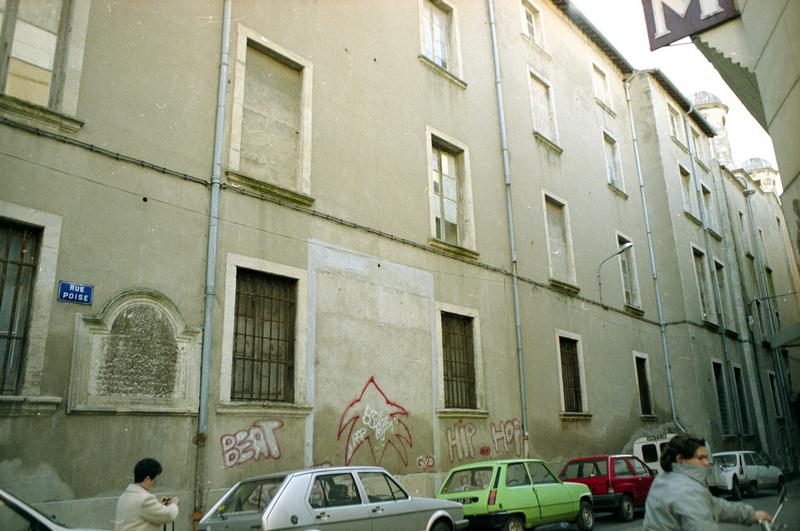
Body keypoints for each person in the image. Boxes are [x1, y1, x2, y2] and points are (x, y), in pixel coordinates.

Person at [643, 433, 772, 530]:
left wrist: (752, 515)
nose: (706, 463)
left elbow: (716, 505)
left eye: (706, 457)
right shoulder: (687, 491)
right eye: (700, 458)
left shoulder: (663, 481)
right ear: (680, 459)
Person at [114, 458, 179, 531]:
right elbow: (168, 515)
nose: (154, 484)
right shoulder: (145, 499)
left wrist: (158, 505)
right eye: (155, 481)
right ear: (147, 479)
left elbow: (141, 513)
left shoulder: (125, 495)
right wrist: (174, 503)